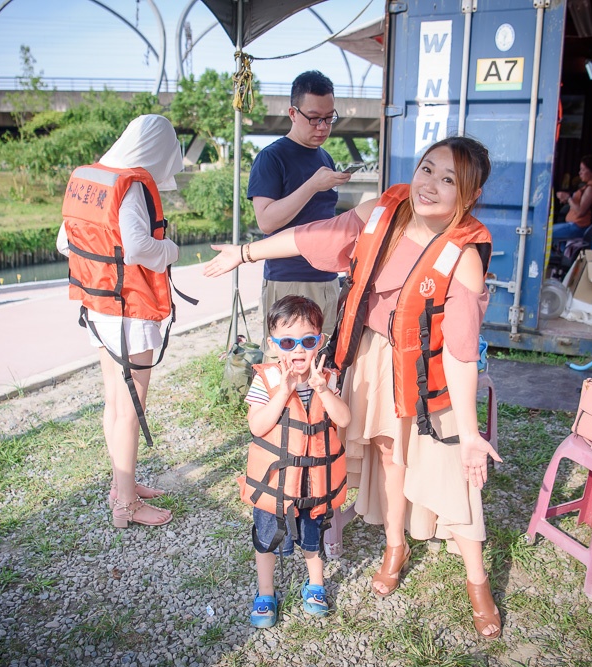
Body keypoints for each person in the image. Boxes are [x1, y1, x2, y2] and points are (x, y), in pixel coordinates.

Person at [206, 136, 504, 639]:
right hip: (373, 351)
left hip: (432, 367)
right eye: (427, 168)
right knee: (389, 452)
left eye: (448, 179)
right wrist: (244, 253)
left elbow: (459, 349)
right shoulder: (384, 208)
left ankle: (478, 582)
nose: (429, 185)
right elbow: (315, 237)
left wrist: (472, 432)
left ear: (468, 196)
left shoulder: (465, 255)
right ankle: (394, 546)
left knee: (452, 466)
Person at [57, 114, 181, 529]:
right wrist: (173, 251)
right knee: (131, 407)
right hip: (129, 310)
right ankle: (126, 506)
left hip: (98, 306)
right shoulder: (130, 187)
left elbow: (64, 242)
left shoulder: (92, 180)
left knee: (115, 402)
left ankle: (120, 483)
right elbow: (139, 249)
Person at [240, 295, 351, 628]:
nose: (298, 350)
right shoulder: (266, 381)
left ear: (320, 341)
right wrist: (284, 391)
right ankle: (265, 593)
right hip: (274, 488)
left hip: (313, 487)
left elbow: (343, 420)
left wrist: (324, 391)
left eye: (308, 341)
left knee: (312, 542)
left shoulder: (327, 380)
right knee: (266, 542)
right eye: (288, 342)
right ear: (274, 345)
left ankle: (315, 586)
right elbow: (258, 426)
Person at [247, 70, 352, 350]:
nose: (322, 126)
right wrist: (312, 185)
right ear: (293, 113)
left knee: (322, 365)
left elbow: (321, 219)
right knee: (287, 368)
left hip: (328, 278)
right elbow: (266, 221)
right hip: (289, 279)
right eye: (315, 118)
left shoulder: (324, 156)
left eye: (329, 118)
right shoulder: (272, 157)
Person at [552, 154, 592, 242]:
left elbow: (580, 212)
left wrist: (568, 198)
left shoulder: (591, 189)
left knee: (545, 233)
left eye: (583, 169)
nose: (580, 172)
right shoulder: (588, 187)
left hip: (578, 226)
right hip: (573, 224)